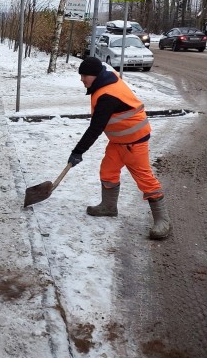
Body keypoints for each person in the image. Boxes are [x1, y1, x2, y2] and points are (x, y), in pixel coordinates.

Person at [67, 56, 172, 240]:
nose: (82, 79)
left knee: (145, 180)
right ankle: (108, 206)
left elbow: (95, 128)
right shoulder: (105, 81)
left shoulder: (107, 96)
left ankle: (163, 221)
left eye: (84, 75)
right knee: (108, 171)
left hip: (134, 141)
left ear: (94, 75)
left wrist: (78, 151)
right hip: (119, 140)